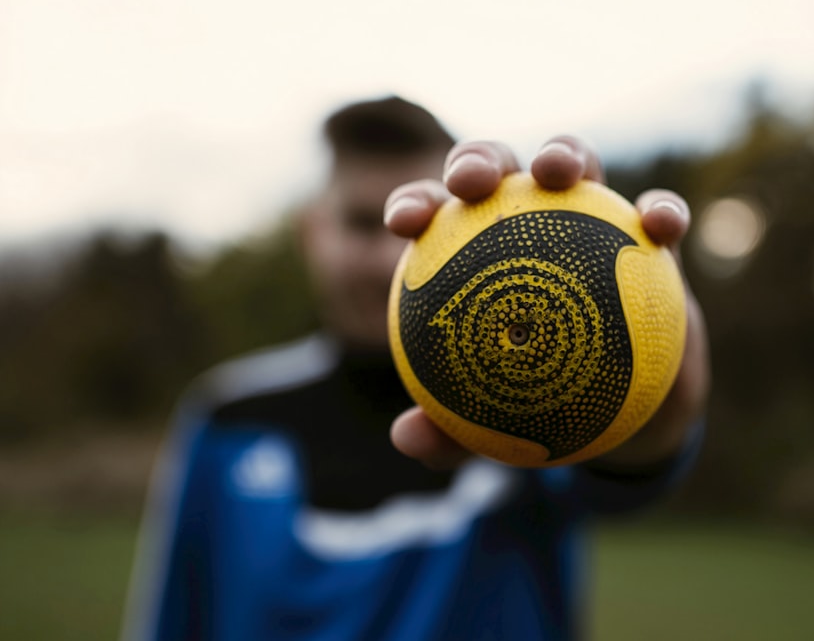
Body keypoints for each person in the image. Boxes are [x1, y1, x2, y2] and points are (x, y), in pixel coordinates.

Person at [122, 96, 710, 641]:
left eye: (418, 233)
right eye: (360, 223)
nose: (387, 262)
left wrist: (655, 412)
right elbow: (174, 620)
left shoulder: (525, 419)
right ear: (312, 232)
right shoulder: (227, 416)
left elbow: (621, 474)